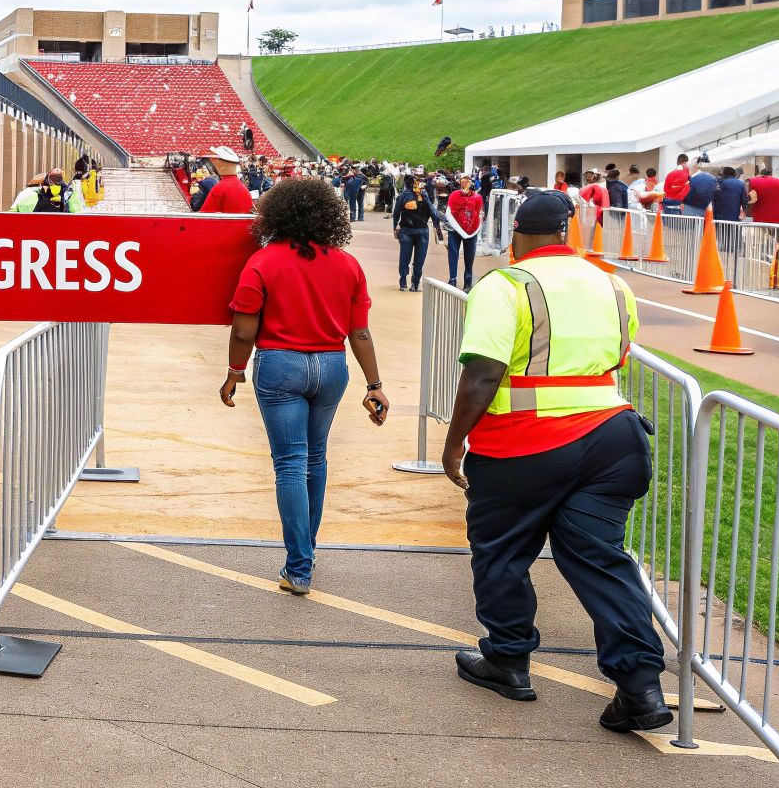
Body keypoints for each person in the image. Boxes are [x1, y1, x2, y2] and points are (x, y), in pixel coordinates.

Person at [439, 190, 670, 733]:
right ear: (568, 233)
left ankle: (508, 658)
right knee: (599, 560)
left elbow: (482, 375)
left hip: (525, 444)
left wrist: (454, 445)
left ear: (516, 234)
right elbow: (615, 357)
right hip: (614, 439)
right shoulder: (614, 284)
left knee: (501, 551)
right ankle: (640, 686)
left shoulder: (506, 285)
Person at [220, 178, 388, 594]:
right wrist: (375, 384)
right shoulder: (347, 264)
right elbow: (360, 333)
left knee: (290, 463)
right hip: (332, 366)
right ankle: (305, 553)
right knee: (316, 458)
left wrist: (234, 371)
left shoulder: (263, 261)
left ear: (277, 215)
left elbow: (244, 329)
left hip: (281, 365)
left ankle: (299, 568)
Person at [392, 173, 446, 291]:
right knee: (405, 258)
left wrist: (426, 198)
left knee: (419, 260)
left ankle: (415, 282)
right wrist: (395, 226)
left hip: (421, 231)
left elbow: (434, 214)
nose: (420, 185)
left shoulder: (425, 195)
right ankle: (403, 280)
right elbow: (396, 213)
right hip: (407, 231)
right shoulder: (404, 196)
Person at [445, 174, 483, 291]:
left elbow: (479, 213)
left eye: (468, 181)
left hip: (471, 230)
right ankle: (452, 279)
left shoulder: (477, 197)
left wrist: (476, 229)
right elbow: (449, 212)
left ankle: (468, 282)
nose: (465, 183)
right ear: (460, 182)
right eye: (463, 180)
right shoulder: (454, 195)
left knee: (469, 257)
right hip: (455, 230)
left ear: (471, 183)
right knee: (453, 254)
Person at [199, 146, 255, 213]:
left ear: (223, 165)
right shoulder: (243, 188)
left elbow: (204, 217)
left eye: (215, 159)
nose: (212, 161)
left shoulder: (220, 188)